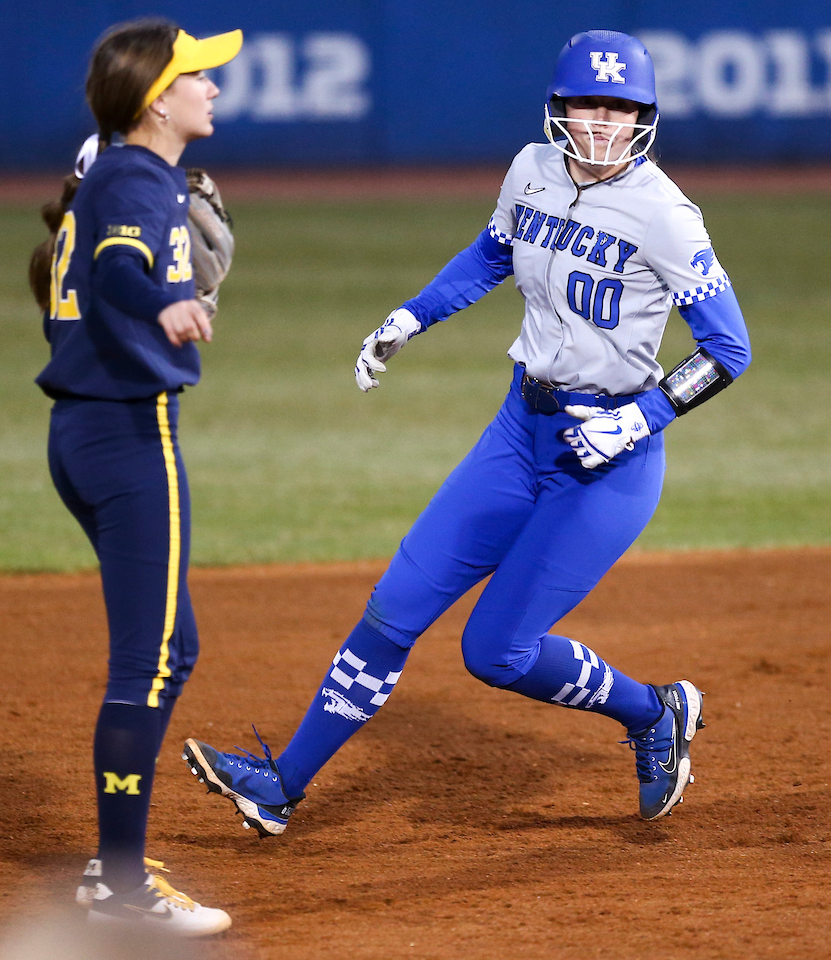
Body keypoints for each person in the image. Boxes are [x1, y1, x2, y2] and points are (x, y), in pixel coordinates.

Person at [182, 30, 751, 835]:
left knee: (495, 653)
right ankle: (281, 785)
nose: (603, 121)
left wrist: (641, 414)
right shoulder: (531, 169)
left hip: (609, 464)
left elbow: (730, 349)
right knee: (394, 608)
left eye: (622, 107)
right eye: (589, 103)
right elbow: (491, 255)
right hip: (519, 432)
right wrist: (410, 317)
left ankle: (654, 712)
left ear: (645, 116)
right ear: (558, 108)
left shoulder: (667, 216)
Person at [29, 18, 242, 935]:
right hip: (127, 438)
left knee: (174, 647)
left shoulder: (114, 177)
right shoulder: (134, 179)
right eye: (200, 76)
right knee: (147, 663)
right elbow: (118, 267)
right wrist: (170, 299)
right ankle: (120, 889)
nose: (214, 88)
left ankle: (111, 862)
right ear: (158, 97)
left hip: (87, 432)